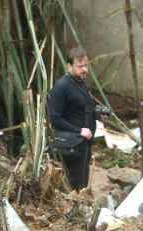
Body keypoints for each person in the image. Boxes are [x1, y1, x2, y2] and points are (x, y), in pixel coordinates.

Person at [48, 46, 98, 191]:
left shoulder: (81, 82)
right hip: (71, 145)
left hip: (84, 143)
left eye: (86, 65)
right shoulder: (61, 86)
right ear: (69, 66)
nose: (84, 70)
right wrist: (78, 130)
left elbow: (82, 108)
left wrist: (97, 114)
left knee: (83, 182)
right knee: (74, 184)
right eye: (80, 66)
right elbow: (55, 118)